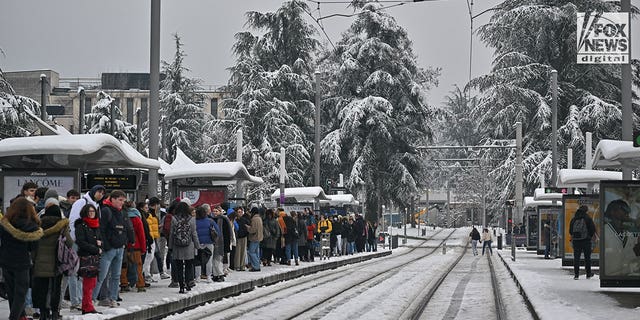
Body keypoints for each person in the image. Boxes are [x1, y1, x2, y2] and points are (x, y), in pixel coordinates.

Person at [0, 197, 44, 320]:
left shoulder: (5, 223)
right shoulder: (31, 226)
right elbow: (33, 247)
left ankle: (21, 316)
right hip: (22, 262)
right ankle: (14, 317)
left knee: (11, 291)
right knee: (21, 292)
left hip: (5, 261)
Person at [32, 198, 72, 320]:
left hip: (40, 263)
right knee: (55, 289)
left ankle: (43, 313)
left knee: (41, 289)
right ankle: (55, 312)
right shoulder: (62, 226)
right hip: (57, 263)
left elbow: (33, 246)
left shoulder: (37, 226)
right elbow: (69, 243)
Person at [67, 184, 105, 311]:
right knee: (76, 274)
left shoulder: (96, 208)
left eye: (102, 193)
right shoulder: (81, 203)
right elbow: (73, 222)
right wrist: (74, 241)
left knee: (89, 279)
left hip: (90, 250)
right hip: (79, 245)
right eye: (99, 192)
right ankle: (76, 301)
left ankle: (84, 302)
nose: (100, 194)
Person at [93, 190, 128, 307]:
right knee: (102, 275)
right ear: (112, 199)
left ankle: (113, 298)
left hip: (119, 247)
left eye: (123, 200)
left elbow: (125, 228)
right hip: (110, 248)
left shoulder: (121, 212)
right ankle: (92, 299)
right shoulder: (106, 211)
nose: (122, 203)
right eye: (120, 200)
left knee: (116, 275)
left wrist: (124, 242)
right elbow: (101, 229)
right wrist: (106, 245)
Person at [73, 204, 102, 315]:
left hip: (95, 257)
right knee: (88, 283)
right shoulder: (81, 226)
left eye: (93, 211)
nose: (91, 213)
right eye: (89, 211)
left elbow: (100, 239)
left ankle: (87, 305)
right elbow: (81, 242)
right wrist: (96, 247)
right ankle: (87, 306)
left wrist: (99, 246)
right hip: (86, 256)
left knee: (92, 282)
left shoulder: (96, 225)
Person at [169, 202, 200, 293]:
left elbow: (171, 234)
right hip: (189, 245)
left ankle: (181, 286)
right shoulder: (191, 219)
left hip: (177, 246)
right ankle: (188, 283)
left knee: (178, 266)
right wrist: (197, 246)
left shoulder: (174, 218)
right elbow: (194, 233)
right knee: (188, 266)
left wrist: (170, 246)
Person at [120, 201, 147, 292]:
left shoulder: (122, 217)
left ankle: (124, 284)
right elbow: (141, 235)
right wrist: (143, 248)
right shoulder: (136, 218)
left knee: (124, 266)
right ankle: (140, 285)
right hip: (136, 246)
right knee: (138, 266)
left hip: (124, 245)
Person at [569, 205, 597, 280]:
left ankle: (576, 275)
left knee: (576, 258)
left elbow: (570, 231)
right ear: (586, 211)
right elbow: (592, 229)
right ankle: (588, 274)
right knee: (587, 258)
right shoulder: (587, 218)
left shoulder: (574, 219)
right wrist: (589, 236)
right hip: (586, 241)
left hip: (576, 241)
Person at [195, 206, 215, 280]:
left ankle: (197, 277)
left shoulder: (194, 221)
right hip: (209, 242)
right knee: (209, 259)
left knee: (197, 260)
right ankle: (209, 276)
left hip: (197, 243)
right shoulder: (210, 221)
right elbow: (217, 231)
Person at [245, 207, 264, 271]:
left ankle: (256, 266)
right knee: (256, 252)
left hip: (254, 238)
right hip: (259, 237)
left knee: (251, 252)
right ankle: (256, 265)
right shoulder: (259, 218)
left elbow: (253, 230)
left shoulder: (254, 219)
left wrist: (247, 227)